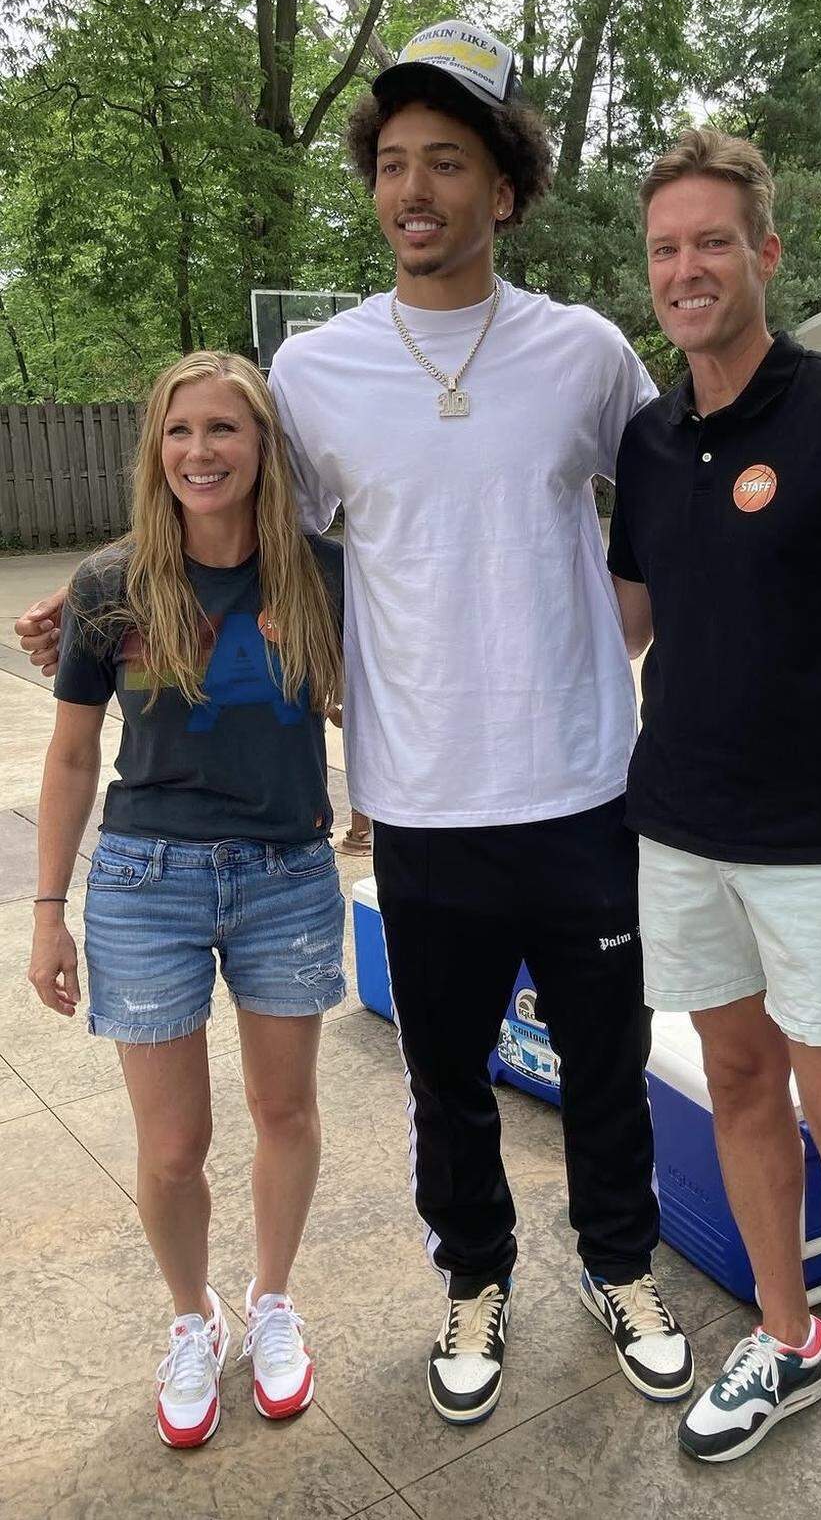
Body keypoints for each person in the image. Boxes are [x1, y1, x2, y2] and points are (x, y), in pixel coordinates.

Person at [19, 19, 693, 1426]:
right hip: (422, 799)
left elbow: (669, 527)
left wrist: (592, 641)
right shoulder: (318, 374)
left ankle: (621, 1266)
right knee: (449, 1079)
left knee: (608, 1058)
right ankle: (475, 1276)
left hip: (578, 784)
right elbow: (234, 529)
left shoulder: (582, 354)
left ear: (503, 187)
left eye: (449, 160)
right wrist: (105, 610)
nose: (415, 190)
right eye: (392, 164)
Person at [607, 128, 821, 1518]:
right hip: (680, 829)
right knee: (741, 1091)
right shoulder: (646, 435)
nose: (685, 268)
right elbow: (618, 623)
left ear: (765, 251)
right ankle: (788, 1335)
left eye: (711, 241)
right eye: (664, 247)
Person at [27, 352, 346, 1448]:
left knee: (286, 1114)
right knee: (172, 1149)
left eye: (225, 430)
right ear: (154, 452)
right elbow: (71, 759)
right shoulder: (111, 586)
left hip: (289, 881)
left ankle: (272, 1303)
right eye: (179, 432)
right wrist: (45, 910)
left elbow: (396, 694)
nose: (201, 452)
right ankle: (190, 1317)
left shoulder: (321, 573)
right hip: (142, 885)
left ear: (263, 448)